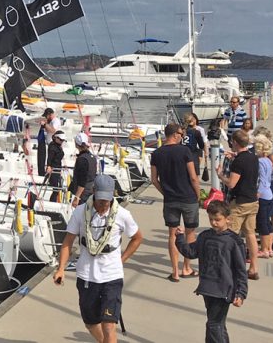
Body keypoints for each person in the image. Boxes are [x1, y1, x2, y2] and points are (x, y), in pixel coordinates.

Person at [53, 175, 143, 343]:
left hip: (112, 276)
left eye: (107, 200)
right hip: (87, 275)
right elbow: (68, 242)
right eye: (101, 200)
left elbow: (137, 237)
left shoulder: (122, 215)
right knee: (90, 322)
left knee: (109, 325)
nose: (104, 204)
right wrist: (61, 269)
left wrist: (121, 260)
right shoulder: (80, 212)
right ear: (93, 192)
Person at [175, 200, 248, 343]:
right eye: (211, 219)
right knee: (215, 324)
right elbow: (190, 252)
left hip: (223, 289)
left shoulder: (234, 241)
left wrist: (241, 292)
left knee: (214, 324)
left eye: (218, 220)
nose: (214, 223)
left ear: (228, 219)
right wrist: (180, 238)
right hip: (207, 288)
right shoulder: (205, 236)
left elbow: (241, 270)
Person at [150, 123, 201, 282]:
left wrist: (165, 192)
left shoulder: (157, 153)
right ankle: (186, 267)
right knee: (189, 233)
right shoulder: (185, 151)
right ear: (175, 134)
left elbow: (154, 180)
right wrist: (198, 195)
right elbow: (193, 177)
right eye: (181, 133)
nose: (182, 136)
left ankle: (175, 272)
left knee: (172, 234)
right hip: (188, 198)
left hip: (170, 200)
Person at [217, 129, 260, 280]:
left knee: (231, 235)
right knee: (250, 234)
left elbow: (231, 184)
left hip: (239, 203)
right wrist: (234, 155)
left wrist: (220, 175)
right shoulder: (253, 157)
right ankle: (253, 268)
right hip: (253, 201)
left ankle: (231, 266)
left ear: (235, 142)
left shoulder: (238, 162)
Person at [252, 126, 273, 253]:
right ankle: (268, 241)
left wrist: (261, 158)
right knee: (266, 216)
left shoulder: (272, 147)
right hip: (268, 184)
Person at [254, 135, 273, 259]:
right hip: (268, 192)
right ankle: (269, 248)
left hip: (261, 193)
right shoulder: (268, 161)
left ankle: (264, 249)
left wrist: (256, 192)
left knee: (262, 223)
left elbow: (259, 178)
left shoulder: (260, 161)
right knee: (266, 221)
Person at [71, 132, 97, 207]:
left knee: (81, 214)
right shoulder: (92, 157)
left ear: (76, 144)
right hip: (90, 190)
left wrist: (76, 197)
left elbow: (82, 181)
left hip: (83, 194)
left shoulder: (82, 159)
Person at [38, 108, 61, 176]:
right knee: (48, 161)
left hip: (53, 146)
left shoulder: (55, 121)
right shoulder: (51, 122)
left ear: (50, 114)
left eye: (46, 116)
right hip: (49, 145)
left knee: (51, 162)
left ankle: (51, 175)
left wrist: (45, 125)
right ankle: (45, 174)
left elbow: (53, 130)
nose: (45, 117)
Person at [183, 113, 206, 178]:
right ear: (193, 121)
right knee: (194, 176)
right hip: (193, 155)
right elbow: (201, 145)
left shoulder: (181, 131)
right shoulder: (196, 132)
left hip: (181, 155)